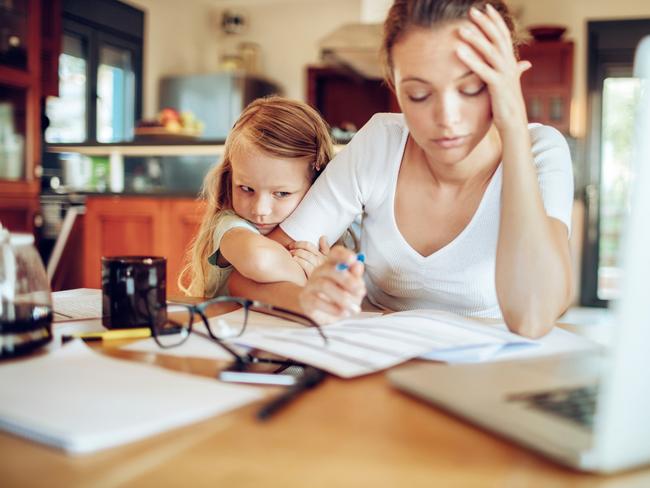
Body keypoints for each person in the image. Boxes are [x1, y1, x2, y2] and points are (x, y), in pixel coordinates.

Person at [229, 0, 574, 338]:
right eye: (420, 95)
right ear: (394, 84)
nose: (447, 118)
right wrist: (309, 298)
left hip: (486, 375)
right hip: (376, 365)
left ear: (505, 77)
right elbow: (245, 278)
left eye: (472, 88)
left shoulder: (540, 151)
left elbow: (533, 318)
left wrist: (513, 124)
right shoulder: (379, 144)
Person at [178, 96, 334, 298]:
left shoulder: (326, 229)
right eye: (246, 188)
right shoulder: (229, 226)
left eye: (281, 193)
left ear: (315, 183)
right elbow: (258, 258)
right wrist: (318, 279)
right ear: (230, 176)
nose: (260, 209)